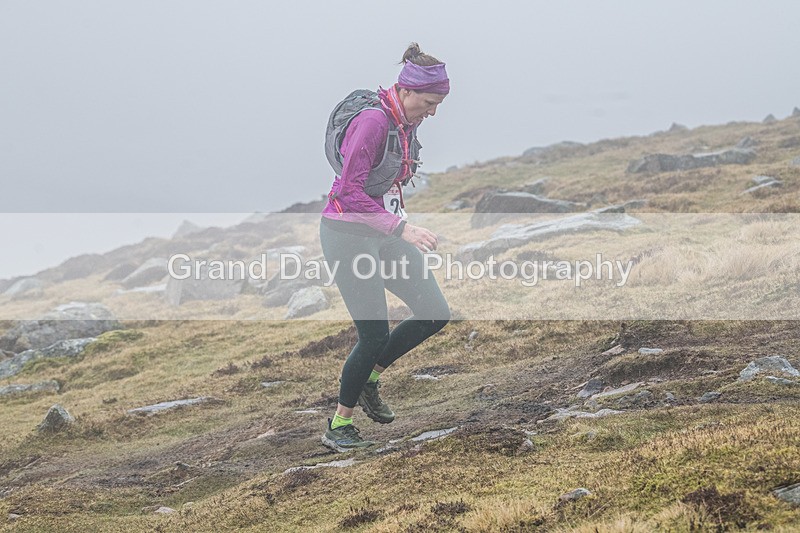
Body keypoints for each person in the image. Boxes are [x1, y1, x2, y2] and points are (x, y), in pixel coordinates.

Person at [318, 43, 451, 452]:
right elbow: (348, 191)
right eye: (429, 103)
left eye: (438, 104)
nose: (432, 112)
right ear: (407, 91)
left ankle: (369, 379)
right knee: (373, 334)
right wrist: (401, 229)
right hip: (348, 236)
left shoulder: (405, 120)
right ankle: (339, 425)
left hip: (383, 234)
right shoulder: (374, 122)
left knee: (434, 313)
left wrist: (395, 227)